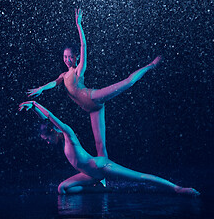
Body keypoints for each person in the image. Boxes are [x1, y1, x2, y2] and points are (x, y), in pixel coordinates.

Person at [27, 9, 161, 160]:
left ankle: (151, 65)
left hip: (94, 98)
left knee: (128, 82)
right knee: (100, 145)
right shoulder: (63, 75)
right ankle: (103, 180)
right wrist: (41, 88)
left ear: (76, 57)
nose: (67, 59)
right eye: (65, 57)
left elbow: (84, 46)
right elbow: (54, 83)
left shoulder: (78, 70)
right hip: (91, 109)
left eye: (70, 56)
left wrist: (79, 25)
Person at [19, 101, 200, 196]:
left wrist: (34, 103)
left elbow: (49, 117)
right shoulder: (62, 140)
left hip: (101, 166)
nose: (47, 142)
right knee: (62, 189)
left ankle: (177, 188)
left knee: (140, 177)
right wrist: (33, 110)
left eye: (46, 139)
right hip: (90, 174)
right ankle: (100, 189)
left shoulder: (68, 133)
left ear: (52, 133)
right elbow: (45, 121)